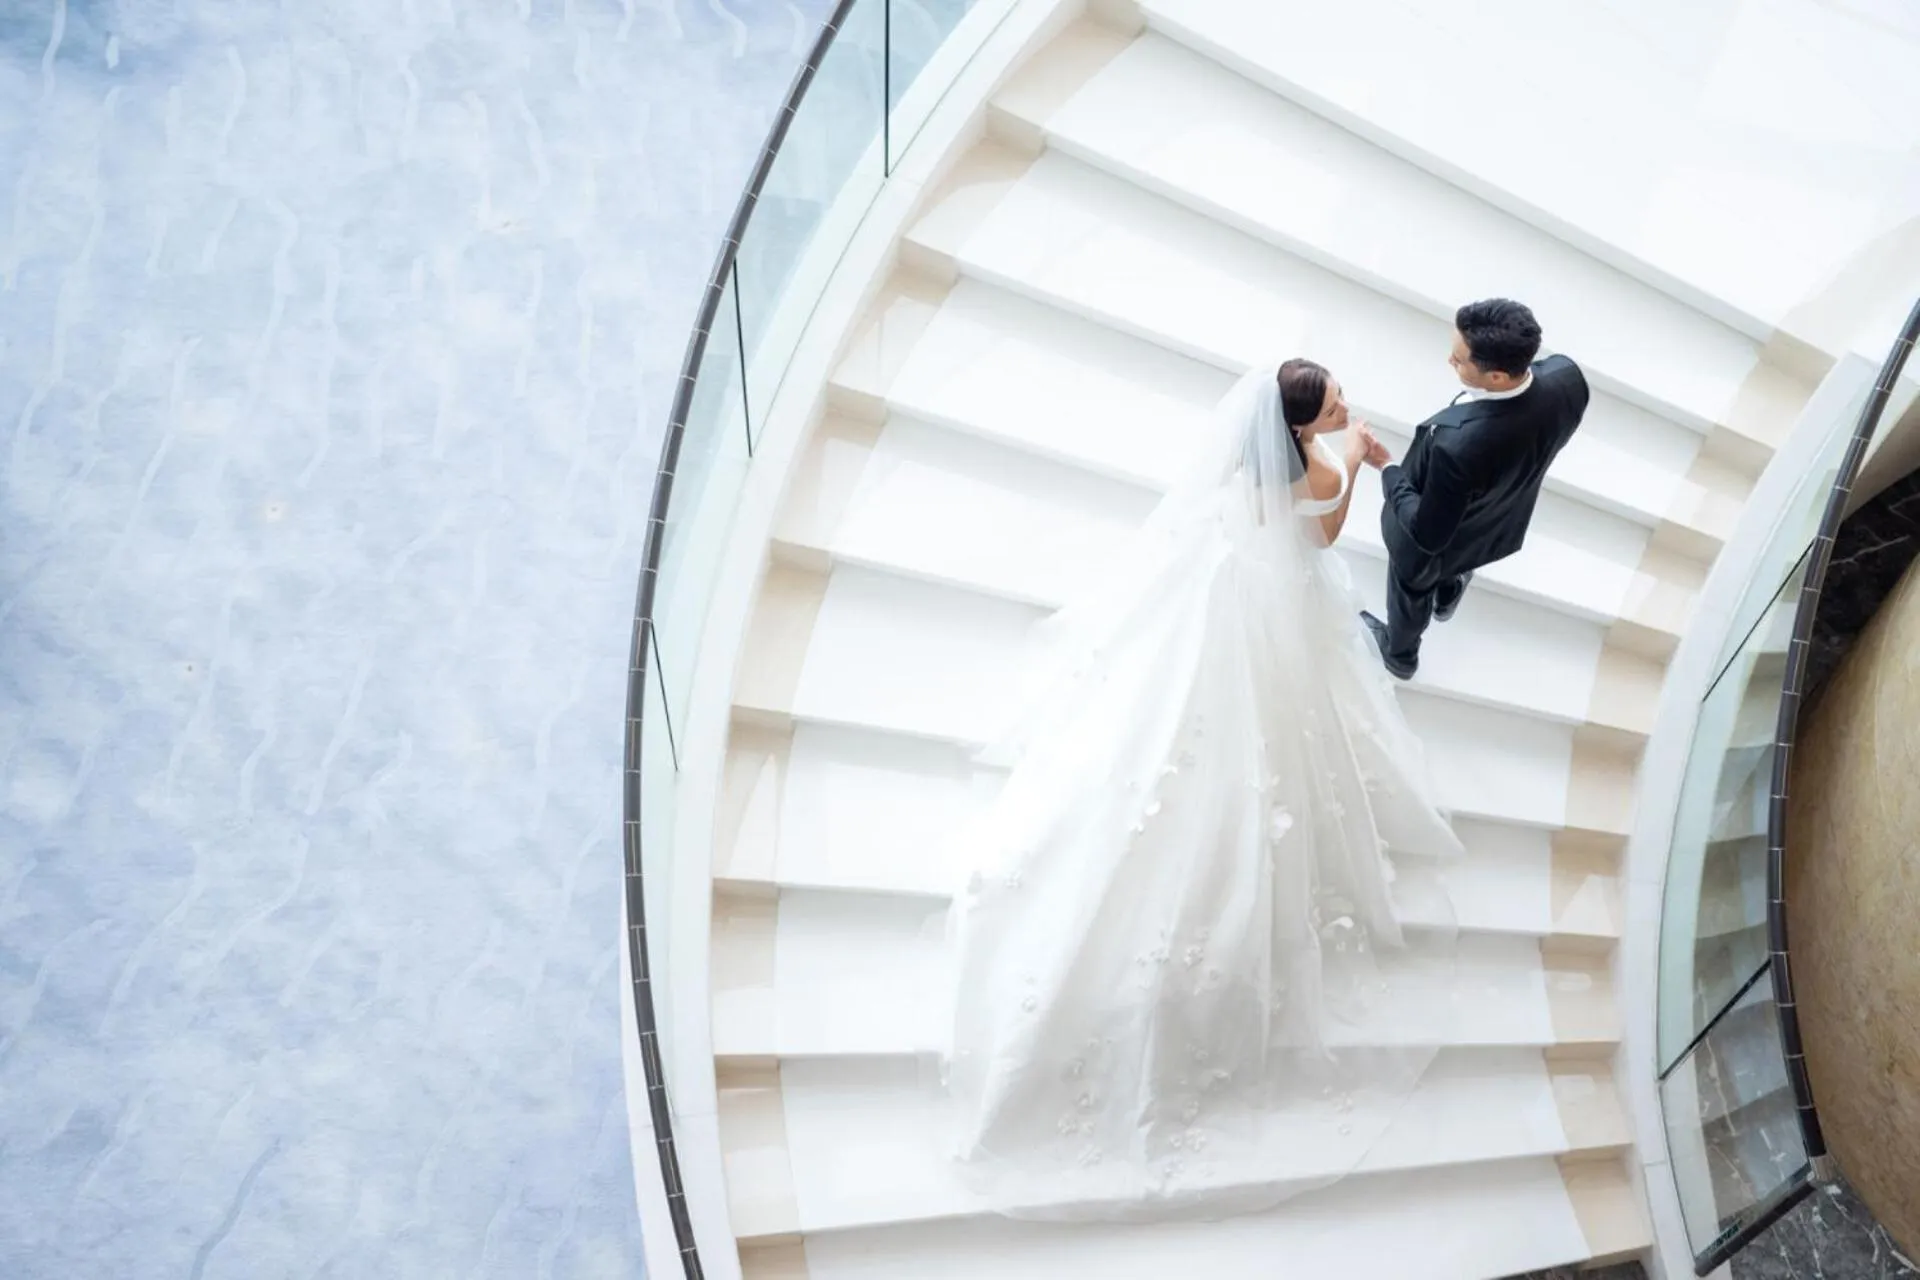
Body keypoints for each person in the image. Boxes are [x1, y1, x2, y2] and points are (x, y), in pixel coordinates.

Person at [944, 359, 1465, 1222]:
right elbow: (1323, 534)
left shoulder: (1250, 456)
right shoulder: (1312, 467)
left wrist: (1331, 442)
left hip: (1225, 588)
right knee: (1274, 738)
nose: (1341, 397)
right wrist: (1349, 456)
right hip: (1278, 602)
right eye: (1329, 397)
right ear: (1298, 421)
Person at [1364, 298, 1590, 679]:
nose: (1450, 362)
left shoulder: (1460, 448)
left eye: (1459, 359)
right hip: (1500, 519)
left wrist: (1387, 466)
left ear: (1498, 376)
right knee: (1459, 554)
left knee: (1411, 582)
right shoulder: (1568, 379)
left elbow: (1426, 534)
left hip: (1437, 535)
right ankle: (1448, 591)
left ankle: (1399, 654)